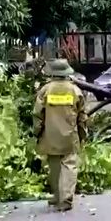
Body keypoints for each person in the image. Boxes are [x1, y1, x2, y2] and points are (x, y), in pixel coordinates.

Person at [33, 59, 88, 212]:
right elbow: (82, 116)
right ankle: (66, 199)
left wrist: (37, 132)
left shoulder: (45, 90)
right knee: (69, 165)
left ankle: (58, 196)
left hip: (50, 135)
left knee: (54, 165)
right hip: (70, 136)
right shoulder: (75, 91)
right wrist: (83, 134)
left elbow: (38, 114)